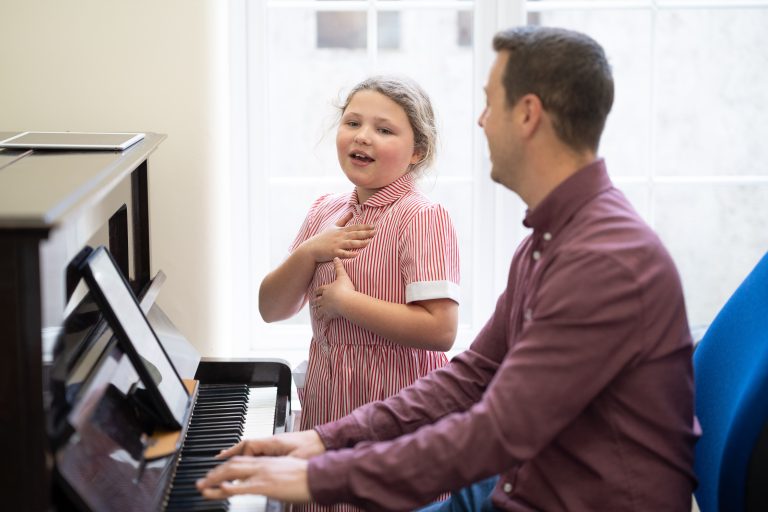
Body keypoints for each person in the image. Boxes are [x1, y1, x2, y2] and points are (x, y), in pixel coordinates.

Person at [197, 26, 698, 511]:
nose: (480, 121)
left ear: (526, 115)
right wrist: (327, 440)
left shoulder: (604, 261)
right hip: (522, 489)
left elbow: (496, 430)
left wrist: (321, 475)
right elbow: (472, 376)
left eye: (488, 103)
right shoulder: (549, 239)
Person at [258, 77, 460, 450]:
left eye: (384, 130)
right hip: (326, 410)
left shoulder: (422, 217)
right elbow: (271, 308)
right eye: (353, 123)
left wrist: (345, 304)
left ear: (417, 151)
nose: (362, 136)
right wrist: (309, 252)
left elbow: (441, 330)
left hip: (396, 418)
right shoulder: (325, 209)